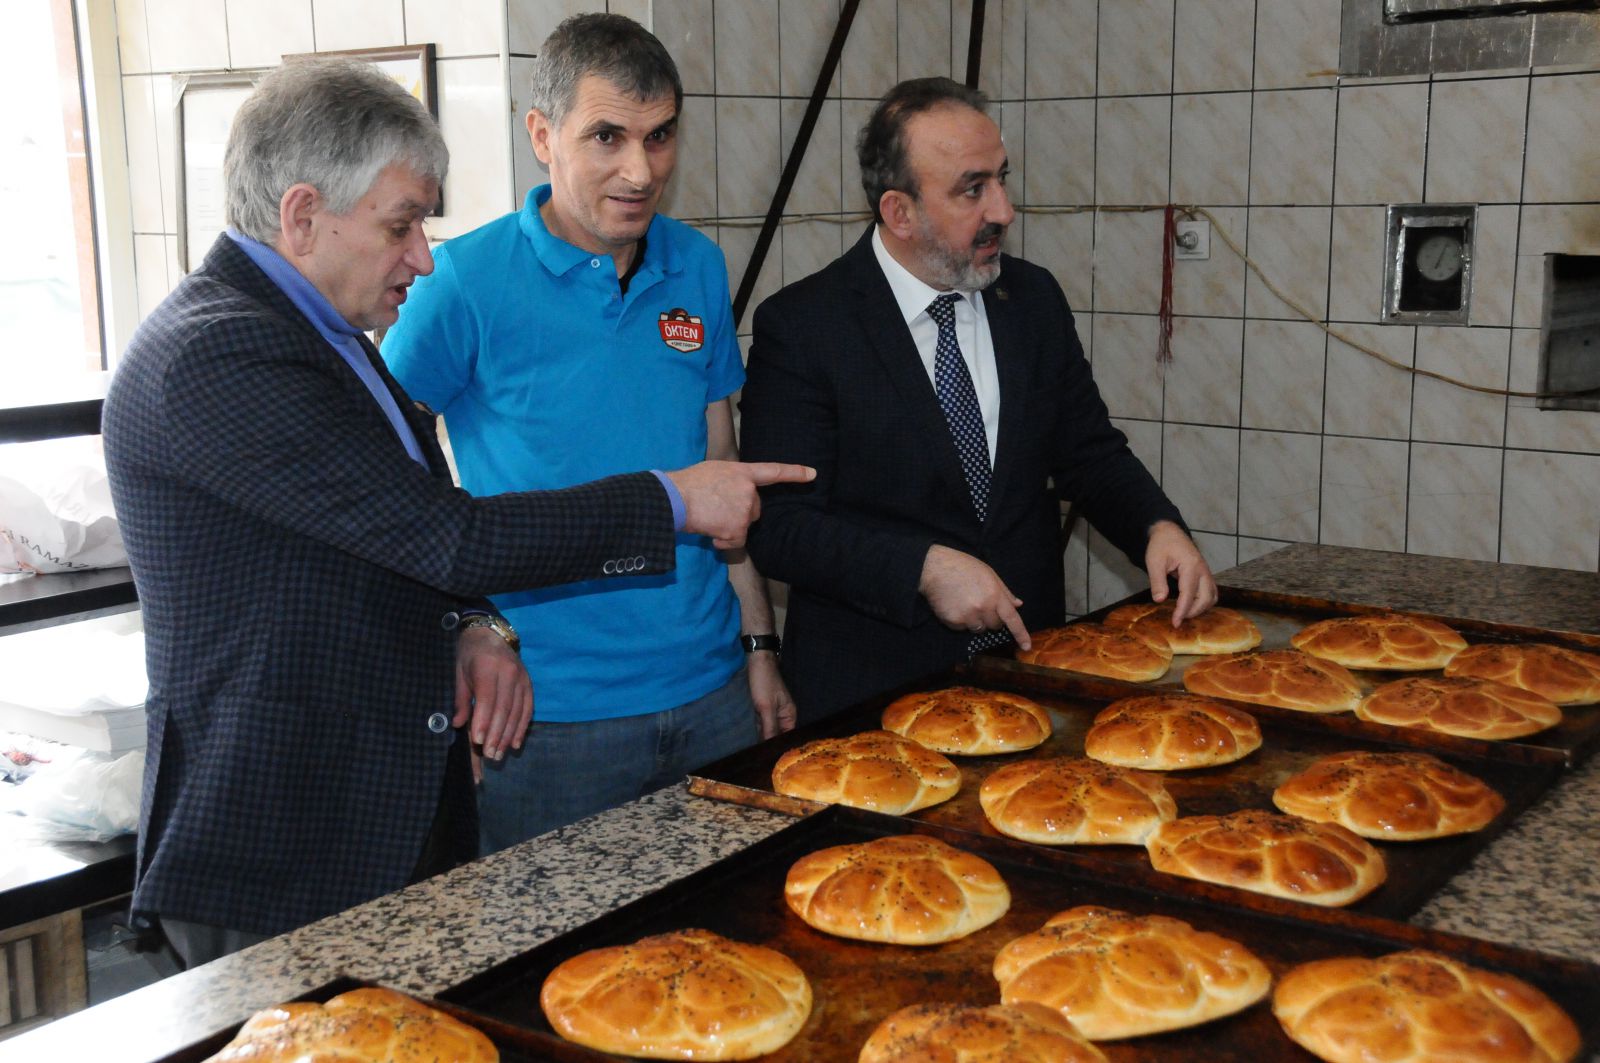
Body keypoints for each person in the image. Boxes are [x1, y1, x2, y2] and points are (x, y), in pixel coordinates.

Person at [101, 56, 809, 967]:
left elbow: (404, 517)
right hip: (286, 838)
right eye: (401, 225)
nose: (422, 256)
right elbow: (451, 535)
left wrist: (475, 627)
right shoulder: (220, 354)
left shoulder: (320, 332)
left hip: (373, 813)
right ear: (303, 216)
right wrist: (671, 497)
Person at [383, 14, 797, 854]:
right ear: (542, 135)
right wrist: (462, 637)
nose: (640, 171)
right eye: (607, 136)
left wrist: (759, 646)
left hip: (712, 691)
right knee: (551, 938)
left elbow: (722, 475)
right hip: (544, 718)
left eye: (659, 136)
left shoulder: (696, 266)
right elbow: (387, 492)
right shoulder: (461, 281)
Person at [739, 77, 1216, 724]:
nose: (1004, 210)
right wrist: (922, 568)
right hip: (876, 694)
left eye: (1002, 179)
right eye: (973, 189)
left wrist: (1156, 526)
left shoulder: (1033, 300)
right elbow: (781, 527)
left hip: (1027, 676)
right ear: (899, 212)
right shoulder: (805, 326)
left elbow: (1089, 453)